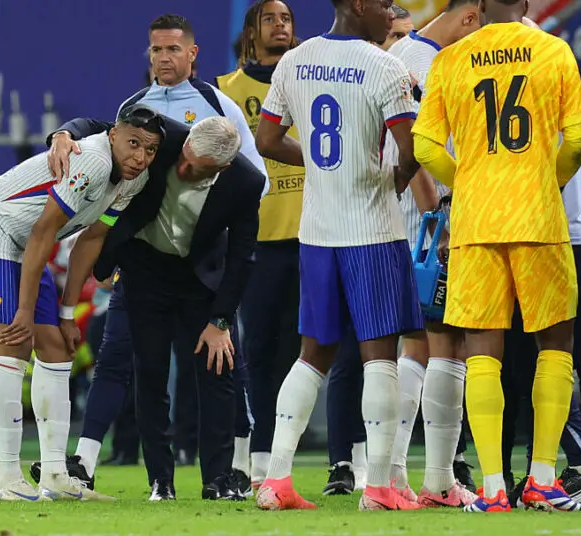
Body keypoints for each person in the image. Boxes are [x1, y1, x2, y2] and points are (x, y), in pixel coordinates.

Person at [39, 14, 267, 494]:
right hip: (144, 267)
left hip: (201, 276)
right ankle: (158, 480)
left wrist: (221, 320)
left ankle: (221, 478)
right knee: (143, 371)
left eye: (197, 169)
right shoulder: (163, 131)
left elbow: (243, 253)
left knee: (217, 369)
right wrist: (63, 133)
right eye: (155, 50)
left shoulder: (243, 178)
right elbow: (102, 128)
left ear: (223, 168)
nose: (182, 168)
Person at [412, 0, 581, 513]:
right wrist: (546, 181)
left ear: (480, 6)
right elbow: (578, 137)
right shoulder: (553, 51)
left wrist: (466, 185)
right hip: (537, 219)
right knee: (555, 343)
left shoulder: (451, 58)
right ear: (527, 4)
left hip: (476, 224)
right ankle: (543, 480)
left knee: (481, 350)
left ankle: (492, 487)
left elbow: (425, 146)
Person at [254, 0, 426, 511]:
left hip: (316, 231)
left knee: (313, 354)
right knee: (380, 355)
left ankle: (276, 480)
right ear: (356, 5)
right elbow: (410, 148)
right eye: (382, 4)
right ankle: (378, 487)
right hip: (371, 229)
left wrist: (321, 163)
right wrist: (392, 178)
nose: (391, 12)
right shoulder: (384, 65)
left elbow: (267, 138)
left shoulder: (295, 60)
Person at [0, 104, 165, 501]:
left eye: (149, 150)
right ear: (113, 135)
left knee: (59, 347)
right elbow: (45, 231)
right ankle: (8, 478)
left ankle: (55, 477)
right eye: (134, 143)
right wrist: (26, 311)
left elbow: (90, 240)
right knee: (15, 342)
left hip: (24, 242)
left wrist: (65, 314)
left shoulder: (136, 179)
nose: (140, 157)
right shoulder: (93, 162)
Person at [380, 0, 485, 507]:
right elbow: (415, 146)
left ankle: (394, 474)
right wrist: (438, 217)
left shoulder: (404, 53)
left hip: (401, 219)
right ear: (471, 16)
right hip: (429, 220)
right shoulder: (425, 61)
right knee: (447, 343)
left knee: (416, 345)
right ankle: (437, 479)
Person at [216, 0, 313, 493]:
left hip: (310, 233)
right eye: (270, 19)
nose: (281, 26)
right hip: (254, 237)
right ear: (251, 31)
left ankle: (282, 458)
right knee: (251, 349)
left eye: (288, 19)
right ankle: (251, 453)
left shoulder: (310, 79)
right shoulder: (225, 92)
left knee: (297, 351)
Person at [501, 143, 581, 506]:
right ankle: (546, 471)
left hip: (555, 239)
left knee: (570, 362)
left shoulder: (554, 101)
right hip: (534, 238)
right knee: (533, 364)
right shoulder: (546, 99)